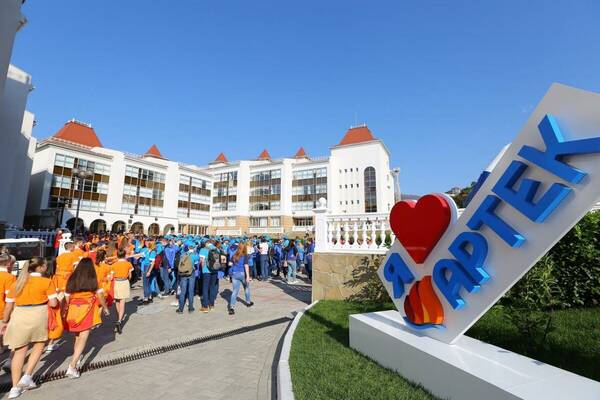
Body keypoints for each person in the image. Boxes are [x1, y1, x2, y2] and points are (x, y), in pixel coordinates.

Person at [1, 257, 58, 399]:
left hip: (20, 315)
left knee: (19, 351)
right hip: (39, 314)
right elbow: (53, 303)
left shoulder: (17, 282)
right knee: (39, 345)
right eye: (45, 265)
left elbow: (8, 306)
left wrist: (5, 321)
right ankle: (27, 376)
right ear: (41, 267)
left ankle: (14, 388)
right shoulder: (46, 282)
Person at [64, 258, 109, 379]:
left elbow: (66, 297)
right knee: (83, 337)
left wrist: (66, 309)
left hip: (73, 309)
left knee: (77, 336)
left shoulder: (72, 279)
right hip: (87, 310)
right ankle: (72, 366)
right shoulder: (93, 280)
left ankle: (77, 357)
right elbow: (100, 295)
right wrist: (105, 308)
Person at [110, 249, 133, 334]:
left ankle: (119, 317)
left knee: (117, 301)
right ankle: (119, 320)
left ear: (117, 255)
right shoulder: (128, 264)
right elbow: (130, 276)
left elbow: (111, 277)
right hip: (124, 282)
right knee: (122, 302)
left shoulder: (114, 264)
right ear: (124, 255)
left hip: (116, 282)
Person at [228, 242, 253, 315]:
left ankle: (232, 307)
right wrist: (248, 276)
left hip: (235, 274)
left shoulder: (234, 255)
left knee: (235, 291)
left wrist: (234, 264)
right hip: (242, 274)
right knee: (246, 288)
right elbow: (246, 266)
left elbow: (230, 264)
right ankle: (248, 302)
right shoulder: (245, 256)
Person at [176, 242, 199, 314]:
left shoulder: (183, 254)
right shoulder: (195, 255)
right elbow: (196, 265)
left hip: (183, 273)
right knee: (191, 291)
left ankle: (180, 309)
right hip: (191, 273)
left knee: (183, 291)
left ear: (188, 247)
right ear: (194, 247)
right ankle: (191, 308)